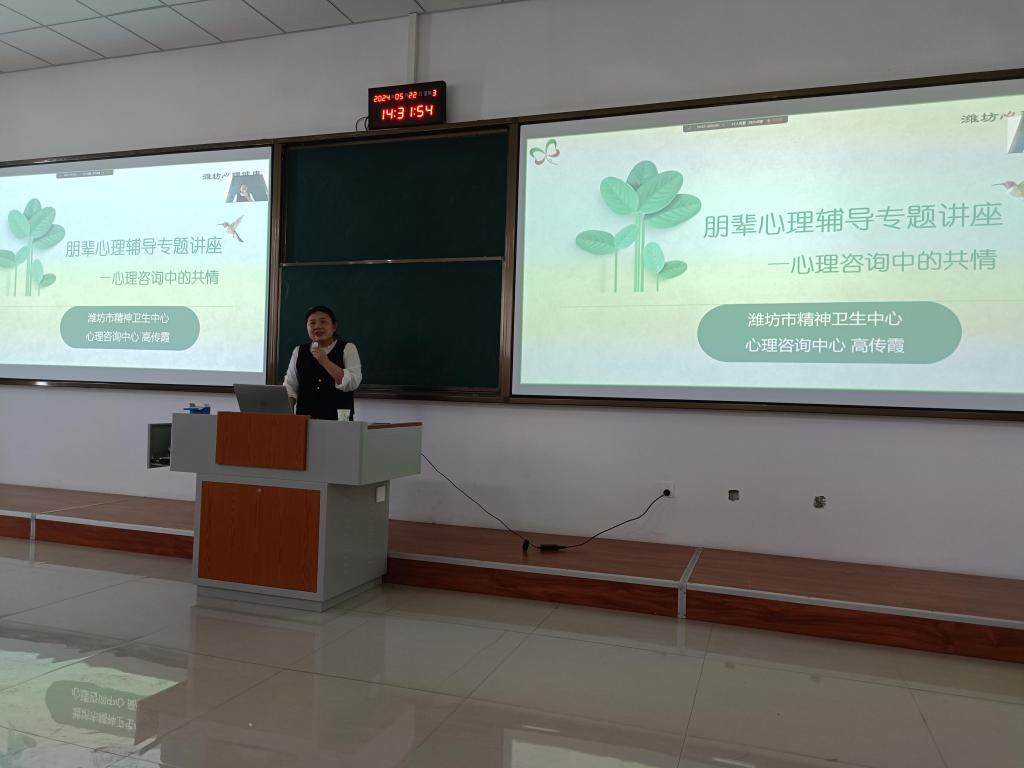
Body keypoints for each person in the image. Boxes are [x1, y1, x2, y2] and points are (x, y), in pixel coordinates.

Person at [283, 305, 362, 420]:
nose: (317, 326)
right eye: (312, 323)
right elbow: (290, 387)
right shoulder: (299, 351)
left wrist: (325, 362)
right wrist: (286, 417)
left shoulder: (348, 348)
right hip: (305, 418)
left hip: (339, 420)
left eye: (323, 322)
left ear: (334, 326)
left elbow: (352, 383)